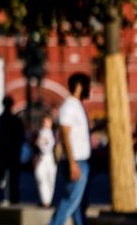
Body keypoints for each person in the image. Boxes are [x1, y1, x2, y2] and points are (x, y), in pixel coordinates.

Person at [47, 73, 91, 225]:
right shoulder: (69, 106)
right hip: (76, 161)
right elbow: (65, 133)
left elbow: (76, 134)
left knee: (78, 203)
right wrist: (72, 163)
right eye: (87, 86)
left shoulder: (76, 105)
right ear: (79, 86)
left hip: (80, 160)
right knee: (70, 200)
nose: (89, 90)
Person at [0, 95, 26, 205]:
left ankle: (1, 199)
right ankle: (10, 199)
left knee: (4, 178)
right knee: (10, 178)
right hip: (9, 153)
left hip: (5, 153)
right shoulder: (14, 120)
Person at [33, 113, 57, 208]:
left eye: (47, 121)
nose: (45, 123)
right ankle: (45, 201)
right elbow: (35, 145)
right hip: (41, 158)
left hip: (51, 158)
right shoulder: (38, 132)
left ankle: (50, 200)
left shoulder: (55, 133)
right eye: (44, 121)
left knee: (51, 180)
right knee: (41, 178)